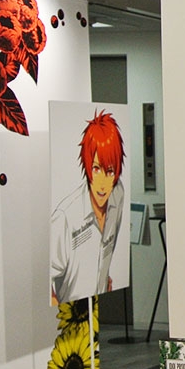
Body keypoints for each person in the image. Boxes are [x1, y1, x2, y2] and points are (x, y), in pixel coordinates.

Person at [50, 111, 125, 304]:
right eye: (96, 169)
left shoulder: (118, 195)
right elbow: (46, 282)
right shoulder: (65, 218)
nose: (102, 183)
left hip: (100, 306)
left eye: (110, 171)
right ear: (87, 166)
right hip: (73, 313)